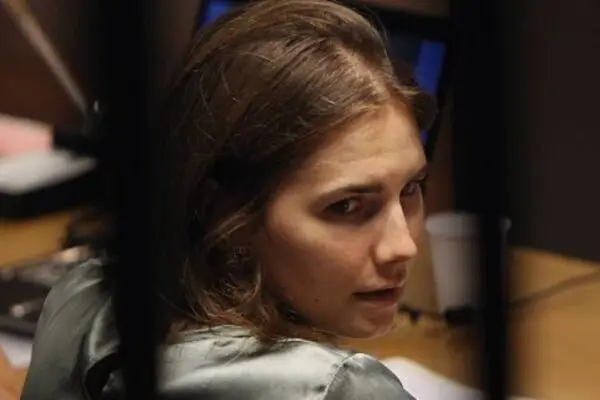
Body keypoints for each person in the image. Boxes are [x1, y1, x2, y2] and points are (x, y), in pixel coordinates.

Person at [21, 0, 436, 398]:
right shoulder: (340, 389)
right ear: (224, 213)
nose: (403, 246)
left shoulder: (77, 294)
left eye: (411, 188)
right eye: (345, 206)